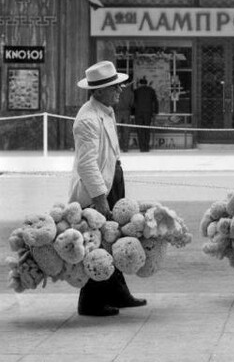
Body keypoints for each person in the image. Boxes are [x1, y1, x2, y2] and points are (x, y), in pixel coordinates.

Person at [70, 60, 147, 316]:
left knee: (114, 236)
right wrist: (99, 196)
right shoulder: (87, 119)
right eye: (115, 87)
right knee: (99, 242)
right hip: (100, 187)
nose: (120, 91)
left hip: (113, 178)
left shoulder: (106, 110)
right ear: (99, 90)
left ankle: (118, 293)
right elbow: (86, 164)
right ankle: (90, 302)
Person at [133, 77, 158, 152]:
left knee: (140, 130)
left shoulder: (136, 91)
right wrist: (155, 112)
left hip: (138, 113)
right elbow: (155, 102)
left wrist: (132, 112)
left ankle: (142, 147)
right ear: (146, 83)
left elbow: (133, 102)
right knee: (147, 130)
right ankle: (146, 147)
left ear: (140, 84)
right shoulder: (151, 90)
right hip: (148, 113)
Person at [114, 81, 134, 152]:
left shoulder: (116, 91)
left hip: (117, 112)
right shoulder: (130, 92)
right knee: (126, 131)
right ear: (126, 84)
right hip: (126, 112)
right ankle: (125, 148)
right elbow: (132, 103)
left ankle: (116, 148)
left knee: (116, 131)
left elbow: (112, 102)